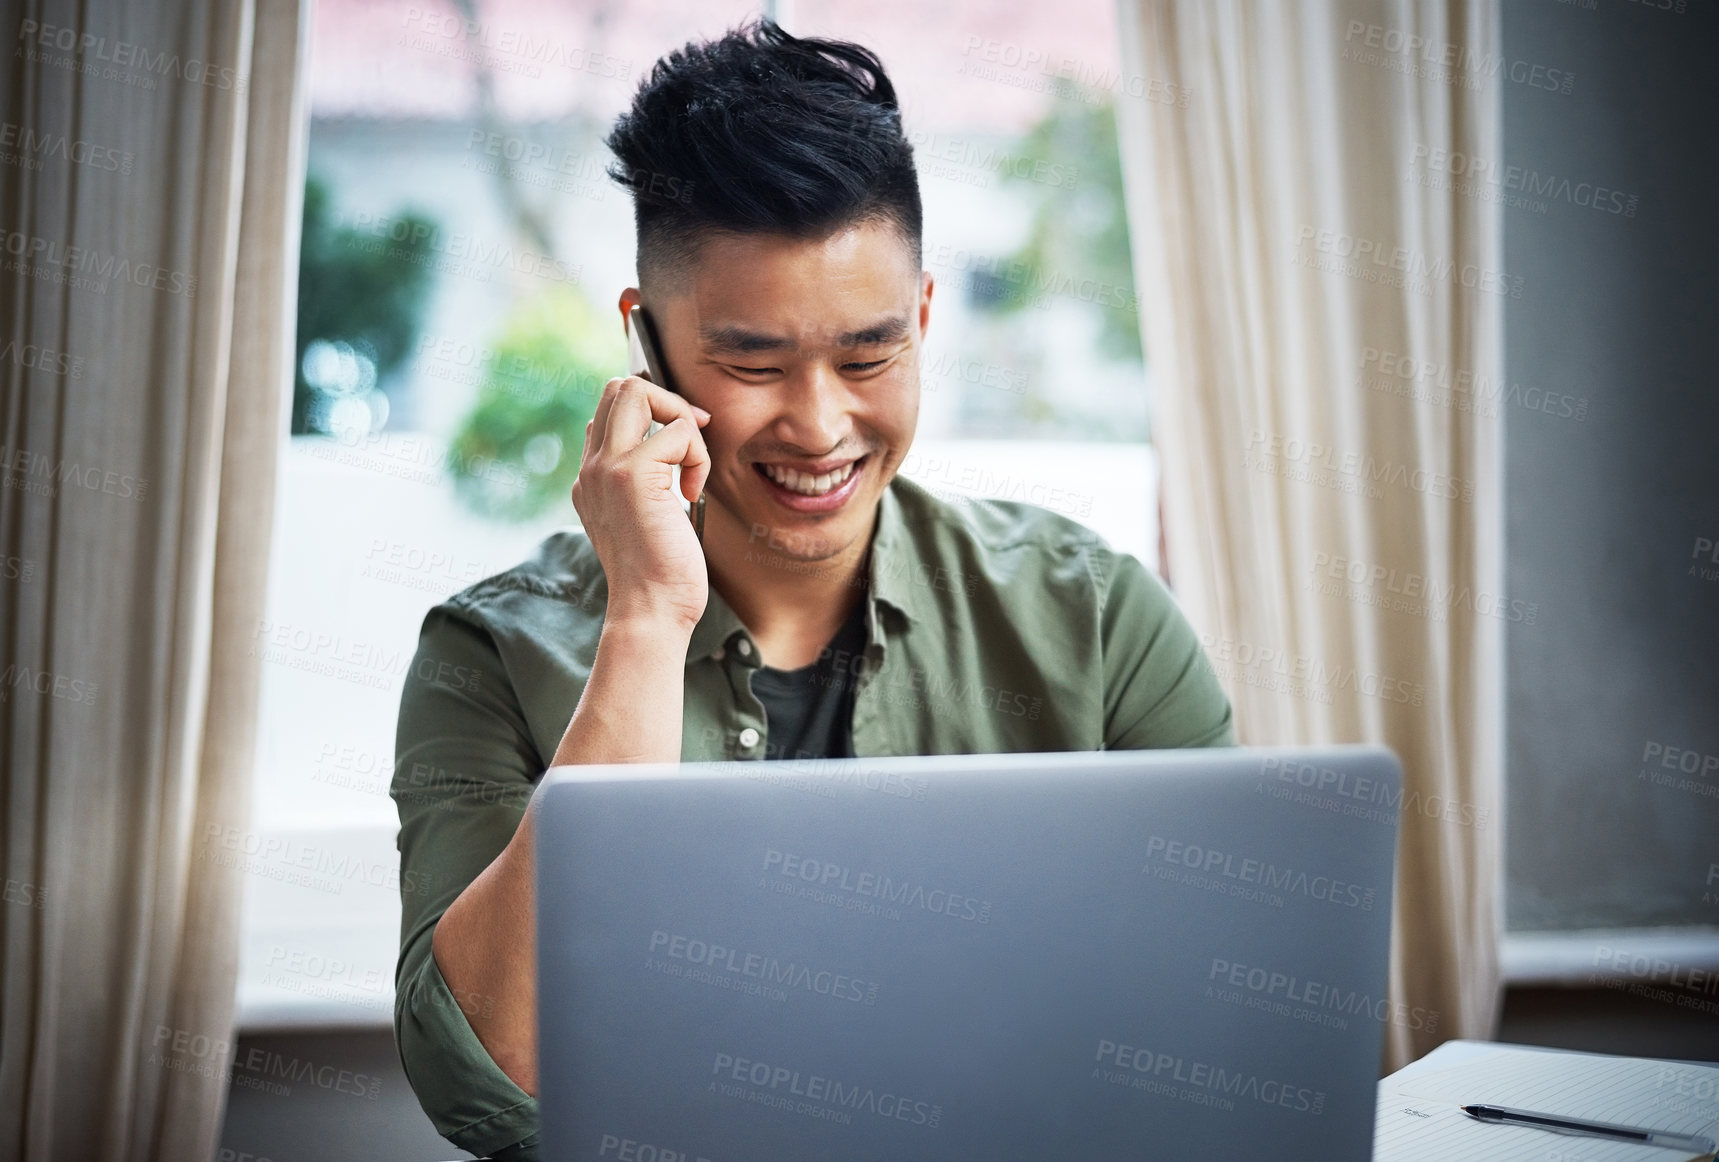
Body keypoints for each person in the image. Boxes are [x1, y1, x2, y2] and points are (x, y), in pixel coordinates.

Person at [391, 18, 1235, 1160]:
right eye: (753, 364)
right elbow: (489, 1080)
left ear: (926, 319)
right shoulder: (488, 653)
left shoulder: (1097, 620)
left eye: (869, 355)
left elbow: (1230, 1032)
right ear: (650, 352)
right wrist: (647, 620)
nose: (822, 424)